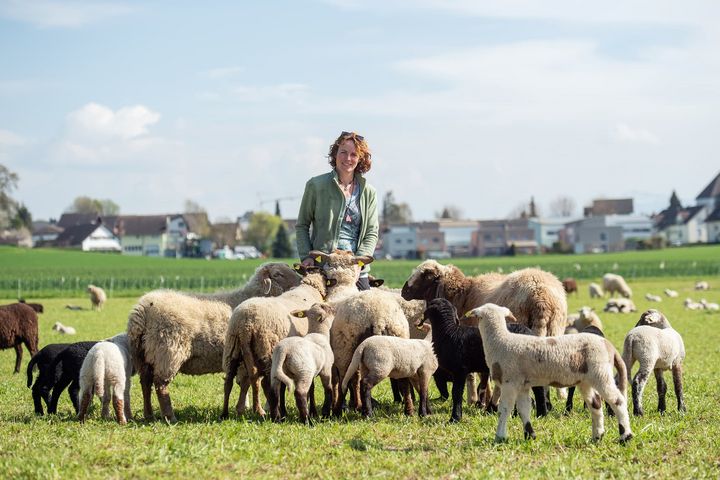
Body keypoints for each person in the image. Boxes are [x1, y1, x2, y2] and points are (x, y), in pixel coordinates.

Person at [296, 131, 378, 290]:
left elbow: (371, 232)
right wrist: (306, 256)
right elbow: (302, 225)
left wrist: (358, 263)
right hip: (323, 267)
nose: (348, 158)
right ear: (335, 154)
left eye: (354, 154)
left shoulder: (369, 192)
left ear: (360, 158)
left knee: (365, 304)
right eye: (343, 152)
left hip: (355, 270)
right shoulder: (316, 185)